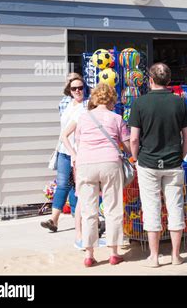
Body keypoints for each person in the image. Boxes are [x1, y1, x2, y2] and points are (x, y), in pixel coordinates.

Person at [128, 63, 187, 268]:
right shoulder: (180, 103)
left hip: (148, 162)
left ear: (151, 80)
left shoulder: (140, 103)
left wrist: (136, 158)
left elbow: (134, 139)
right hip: (173, 162)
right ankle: (175, 255)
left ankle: (154, 257)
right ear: (169, 80)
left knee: (151, 208)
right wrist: (180, 156)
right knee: (175, 207)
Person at [63, 83, 131, 267]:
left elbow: (78, 141)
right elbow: (127, 145)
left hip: (86, 164)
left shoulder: (83, 118)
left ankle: (89, 254)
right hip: (110, 162)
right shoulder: (117, 118)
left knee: (88, 210)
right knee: (113, 208)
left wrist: (75, 156)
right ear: (111, 99)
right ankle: (114, 252)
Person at [41, 74, 87, 233]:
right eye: (74, 88)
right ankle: (53, 220)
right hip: (64, 150)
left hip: (81, 152)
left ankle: (80, 221)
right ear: (69, 89)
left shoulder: (88, 105)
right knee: (62, 184)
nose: (78, 91)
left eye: (80, 88)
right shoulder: (66, 103)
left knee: (79, 187)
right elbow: (63, 129)